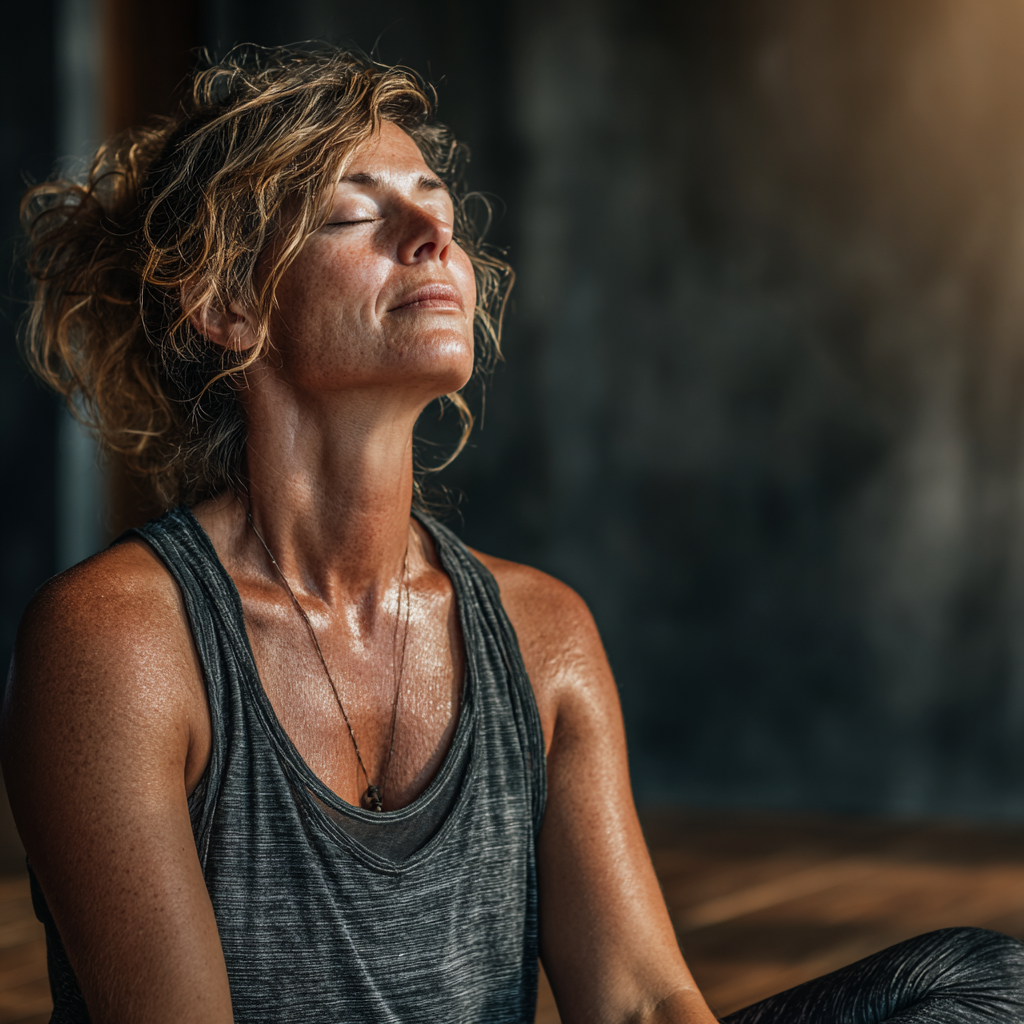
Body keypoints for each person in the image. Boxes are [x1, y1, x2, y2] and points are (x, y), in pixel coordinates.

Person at [3, 44, 1022, 1024]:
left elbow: (636, 1002)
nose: (429, 235)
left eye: (434, 207)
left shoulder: (541, 634)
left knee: (983, 982)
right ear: (227, 303)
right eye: (356, 213)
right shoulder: (122, 642)